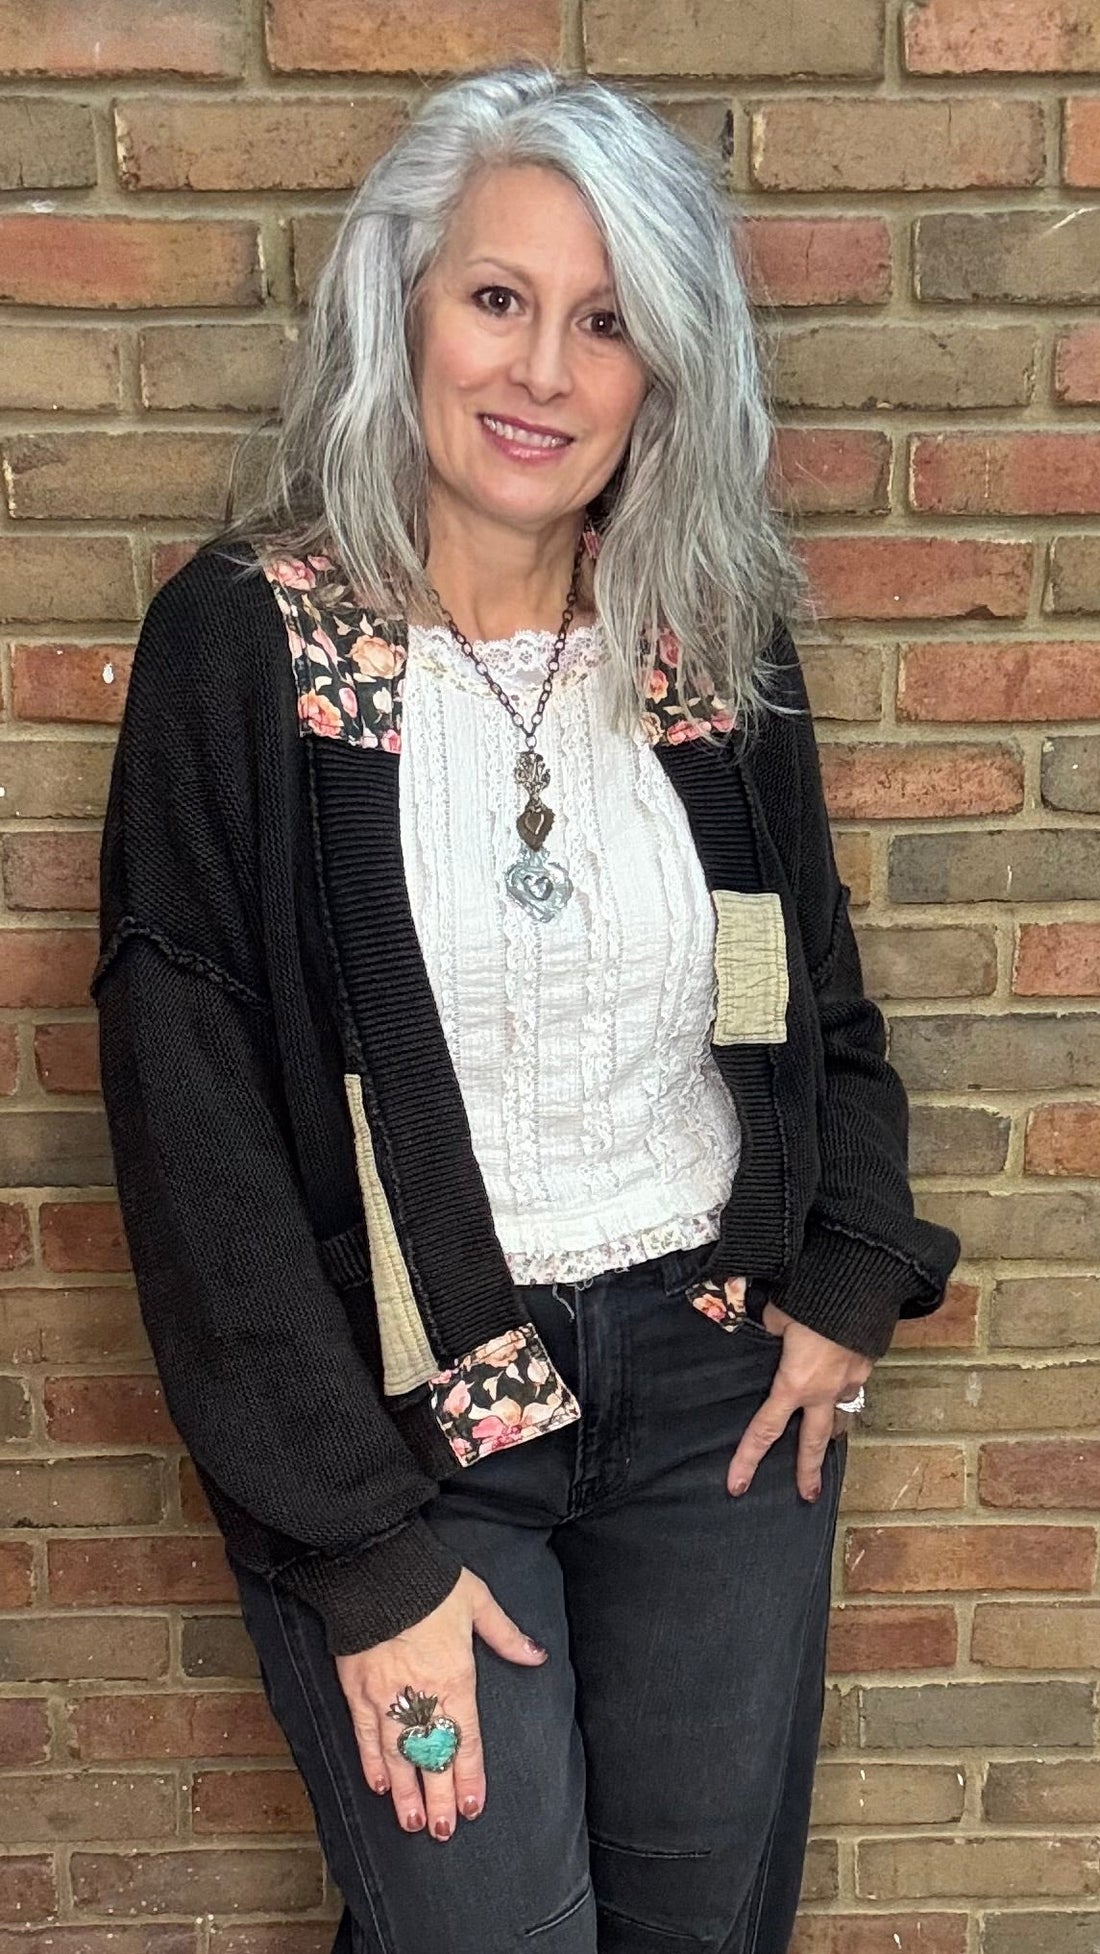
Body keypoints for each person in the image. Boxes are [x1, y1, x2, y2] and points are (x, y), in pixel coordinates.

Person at [93, 63, 960, 1954]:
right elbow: (196, 1142)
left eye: (607, 321)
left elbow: (814, 1008)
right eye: (498, 298)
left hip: (720, 1413)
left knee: (693, 1925)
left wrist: (847, 1269)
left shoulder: (705, 649)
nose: (544, 372)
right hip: (415, 1442)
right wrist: (360, 1548)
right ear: (401, 304)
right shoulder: (251, 650)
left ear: (666, 373)